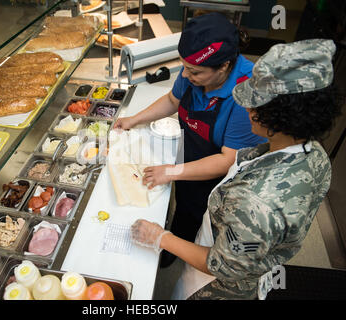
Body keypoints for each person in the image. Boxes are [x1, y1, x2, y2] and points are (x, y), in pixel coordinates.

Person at [130, 39, 341, 300]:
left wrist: (159, 237)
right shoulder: (315, 153)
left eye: (254, 104)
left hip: (217, 287)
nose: (247, 108)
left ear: (279, 116)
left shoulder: (258, 202)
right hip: (252, 257)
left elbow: (221, 264)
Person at [114, 13, 266, 267]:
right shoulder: (192, 73)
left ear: (225, 66)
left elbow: (228, 159)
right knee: (183, 209)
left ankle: (180, 252)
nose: (184, 75)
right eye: (183, 66)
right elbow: (173, 100)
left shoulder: (245, 95)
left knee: (201, 222)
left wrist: (172, 171)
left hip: (217, 181)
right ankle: (173, 242)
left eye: (194, 71)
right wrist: (133, 119)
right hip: (190, 159)